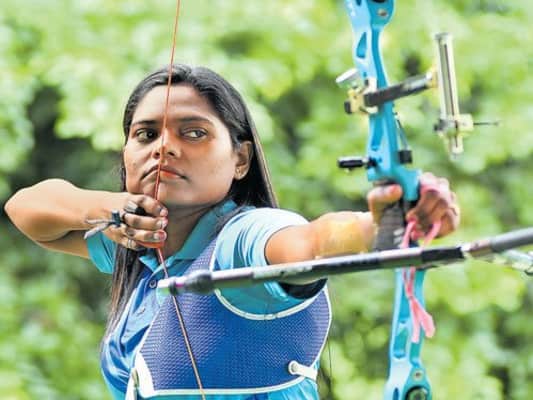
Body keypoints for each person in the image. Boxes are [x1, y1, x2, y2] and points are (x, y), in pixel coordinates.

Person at [4, 64, 459, 400]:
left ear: (240, 159)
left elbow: (310, 242)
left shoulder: (243, 239)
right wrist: (109, 208)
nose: (164, 147)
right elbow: (25, 208)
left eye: (193, 133)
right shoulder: (140, 244)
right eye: (145, 134)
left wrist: (378, 225)